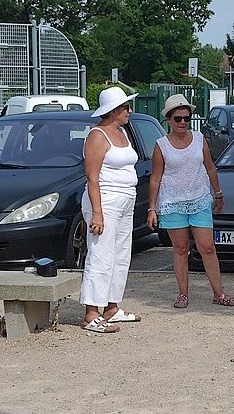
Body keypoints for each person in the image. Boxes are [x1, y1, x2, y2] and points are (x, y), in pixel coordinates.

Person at [147, 94, 234, 309]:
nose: (182, 122)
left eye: (186, 118)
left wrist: (218, 193)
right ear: (169, 120)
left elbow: (210, 167)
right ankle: (182, 294)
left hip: (199, 198)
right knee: (180, 248)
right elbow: (155, 178)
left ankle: (219, 294)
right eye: (178, 118)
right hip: (172, 202)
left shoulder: (199, 139)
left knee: (207, 247)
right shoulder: (161, 145)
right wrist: (152, 208)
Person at [80, 86, 142, 333]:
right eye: (125, 107)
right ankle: (91, 313)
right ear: (113, 110)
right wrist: (97, 212)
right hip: (105, 200)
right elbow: (92, 177)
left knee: (121, 255)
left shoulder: (122, 132)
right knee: (101, 255)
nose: (129, 110)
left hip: (126, 199)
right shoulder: (97, 136)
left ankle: (111, 307)